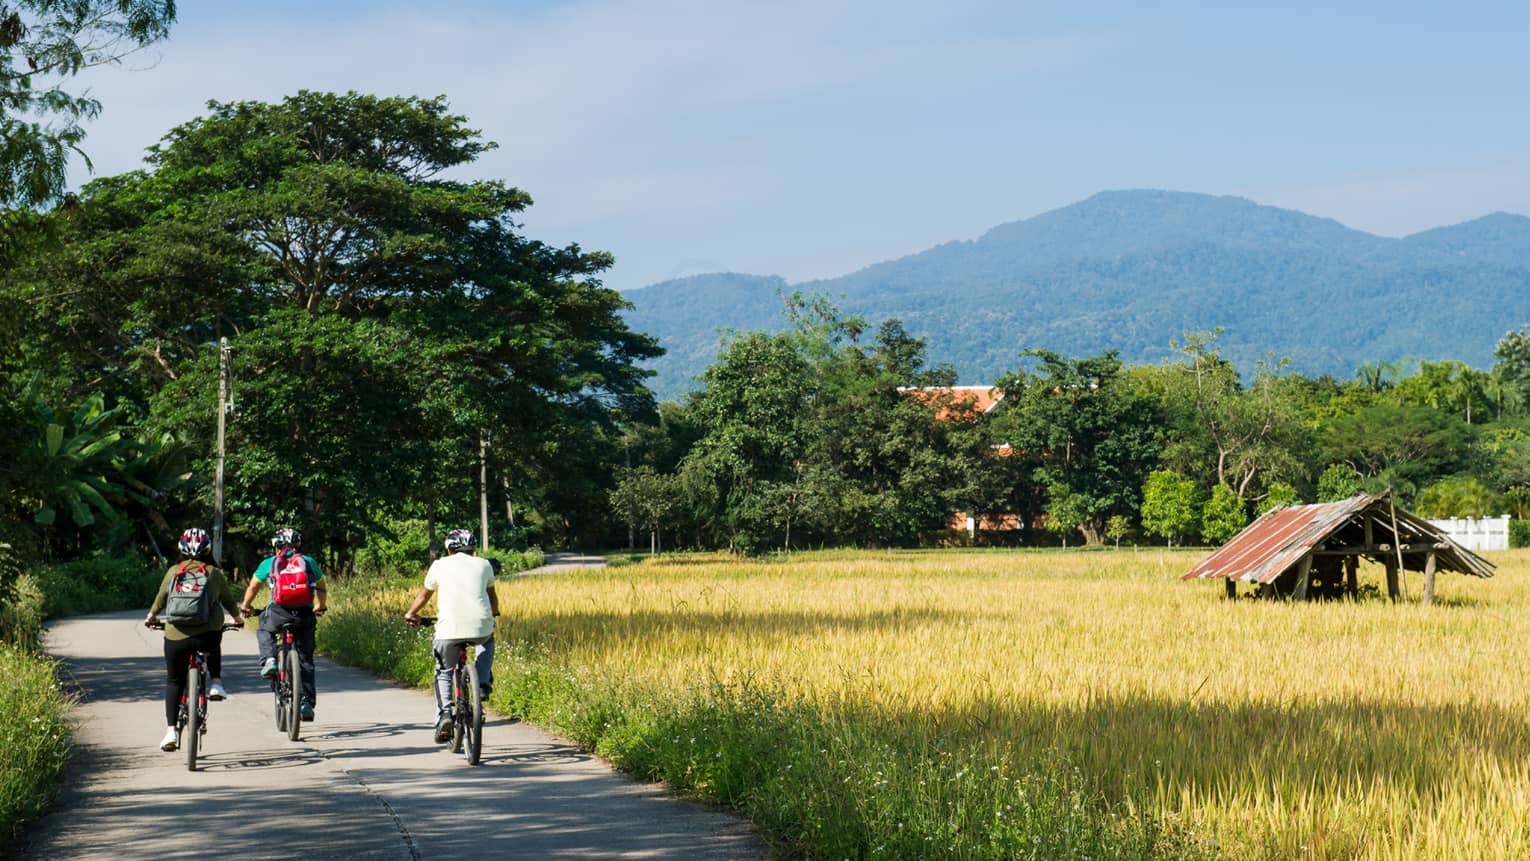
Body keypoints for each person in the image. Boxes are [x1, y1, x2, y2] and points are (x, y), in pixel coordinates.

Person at [145, 527, 242, 752]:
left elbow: (160, 599)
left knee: (174, 681)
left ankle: (170, 731)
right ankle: (216, 683)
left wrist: (151, 617)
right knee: (215, 640)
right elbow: (227, 600)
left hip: (175, 637)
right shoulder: (213, 573)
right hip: (207, 637)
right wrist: (237, 619)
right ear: (207, 549)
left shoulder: (173, 571)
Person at [404, 528, 499, 743]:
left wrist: (412, 613)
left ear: (449, 547)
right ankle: (482, 682)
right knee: (488, 639)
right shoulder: (484, 564)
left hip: (448, 630)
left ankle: (445, 715)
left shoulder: (438, 565)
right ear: (473, 547)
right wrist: (493, 614)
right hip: (481, 627)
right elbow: (492, 597)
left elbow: (424, 595)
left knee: (444, 672)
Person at [240, 526, 326, 721]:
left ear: (275, 547)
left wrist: (245, 606)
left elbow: (253, 587)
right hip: (304, 614)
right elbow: (321, 587)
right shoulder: (309, 562)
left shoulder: (269, 563)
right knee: (306, 659)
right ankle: (306, 704)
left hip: (278, 613)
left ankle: (269, 659)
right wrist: (321, 606)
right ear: (297, 545)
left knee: (263, 628)